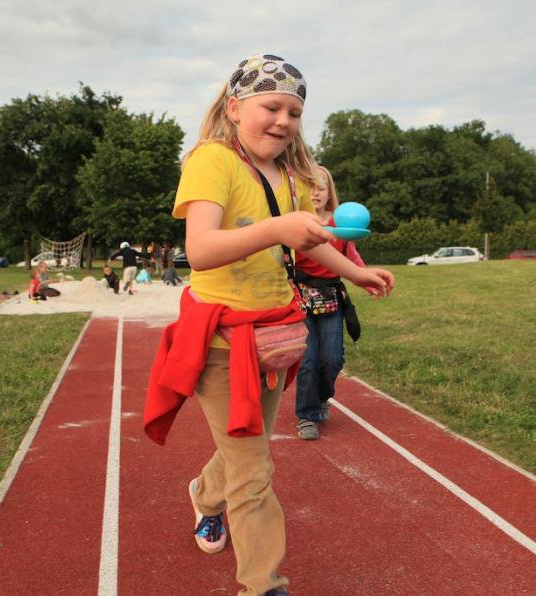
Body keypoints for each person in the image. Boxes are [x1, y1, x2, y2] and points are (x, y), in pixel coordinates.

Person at [142, 53, 394, 596]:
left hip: (277, 337)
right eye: (271, 107)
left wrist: (357, 272)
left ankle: (204, 496)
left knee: (246, 448)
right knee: (253, 472)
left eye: (294, 112)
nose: (283, 121)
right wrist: (277, 228)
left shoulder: (296, 178)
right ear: (235, 108)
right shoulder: (211, 161)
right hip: (220, 341)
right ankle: (264, 585)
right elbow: (200, 249)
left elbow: (310, 243)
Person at [293, 166, 369, 440]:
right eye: (309, 187)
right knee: (307, 360)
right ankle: (306, 415)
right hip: (299, 299)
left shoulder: (342, 224)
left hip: (331, 299)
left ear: (329, 192)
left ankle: (322, 397)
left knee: (332, 359)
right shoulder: (295, 222)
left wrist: (367, 279)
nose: (315, 193)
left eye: (321, 188)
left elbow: (352, 259)